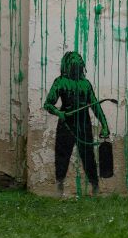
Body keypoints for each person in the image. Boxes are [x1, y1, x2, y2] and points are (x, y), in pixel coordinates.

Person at [43, 51, 110, 196]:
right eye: (74, 64)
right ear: (68, 65)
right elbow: (48, 104)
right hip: (66, 124)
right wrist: (60, 113)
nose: (77, 66)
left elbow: (95, 106)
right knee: (62, 156)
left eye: (78, 64)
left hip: (84, 125)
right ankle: (59, 187)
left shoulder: (85, 84)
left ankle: (95, 186)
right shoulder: (60, 82)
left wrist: (105, 125)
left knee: (88, 157)